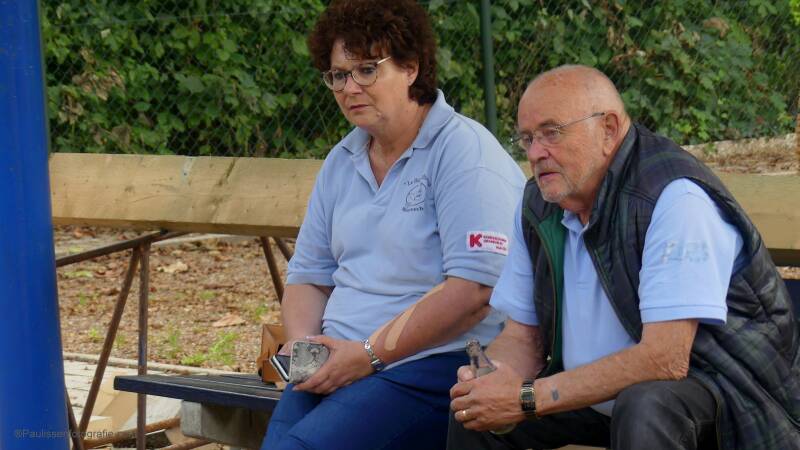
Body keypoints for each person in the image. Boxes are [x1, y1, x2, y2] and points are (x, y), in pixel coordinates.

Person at [447, 65, 800, 450]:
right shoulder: (540, 203)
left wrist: (527, 398)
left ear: (609, 129)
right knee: (473, 413)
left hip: (728, 406)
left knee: (645, 406)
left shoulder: (674, 197)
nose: (535, 153)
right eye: (527, 138)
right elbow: (523, 337)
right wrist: (494, 380)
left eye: (552, 133)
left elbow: (664, 360)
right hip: (598, 400)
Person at [261, 1, 526, 449]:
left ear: (410, 67)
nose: (349, 88)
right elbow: (308, 276)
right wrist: (305, 349)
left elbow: (474, 293)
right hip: (337, 363)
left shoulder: (464, 152)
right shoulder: (342, 160)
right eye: (338, 75)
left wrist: (366, 355)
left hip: (435, 365)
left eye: (366, 70)